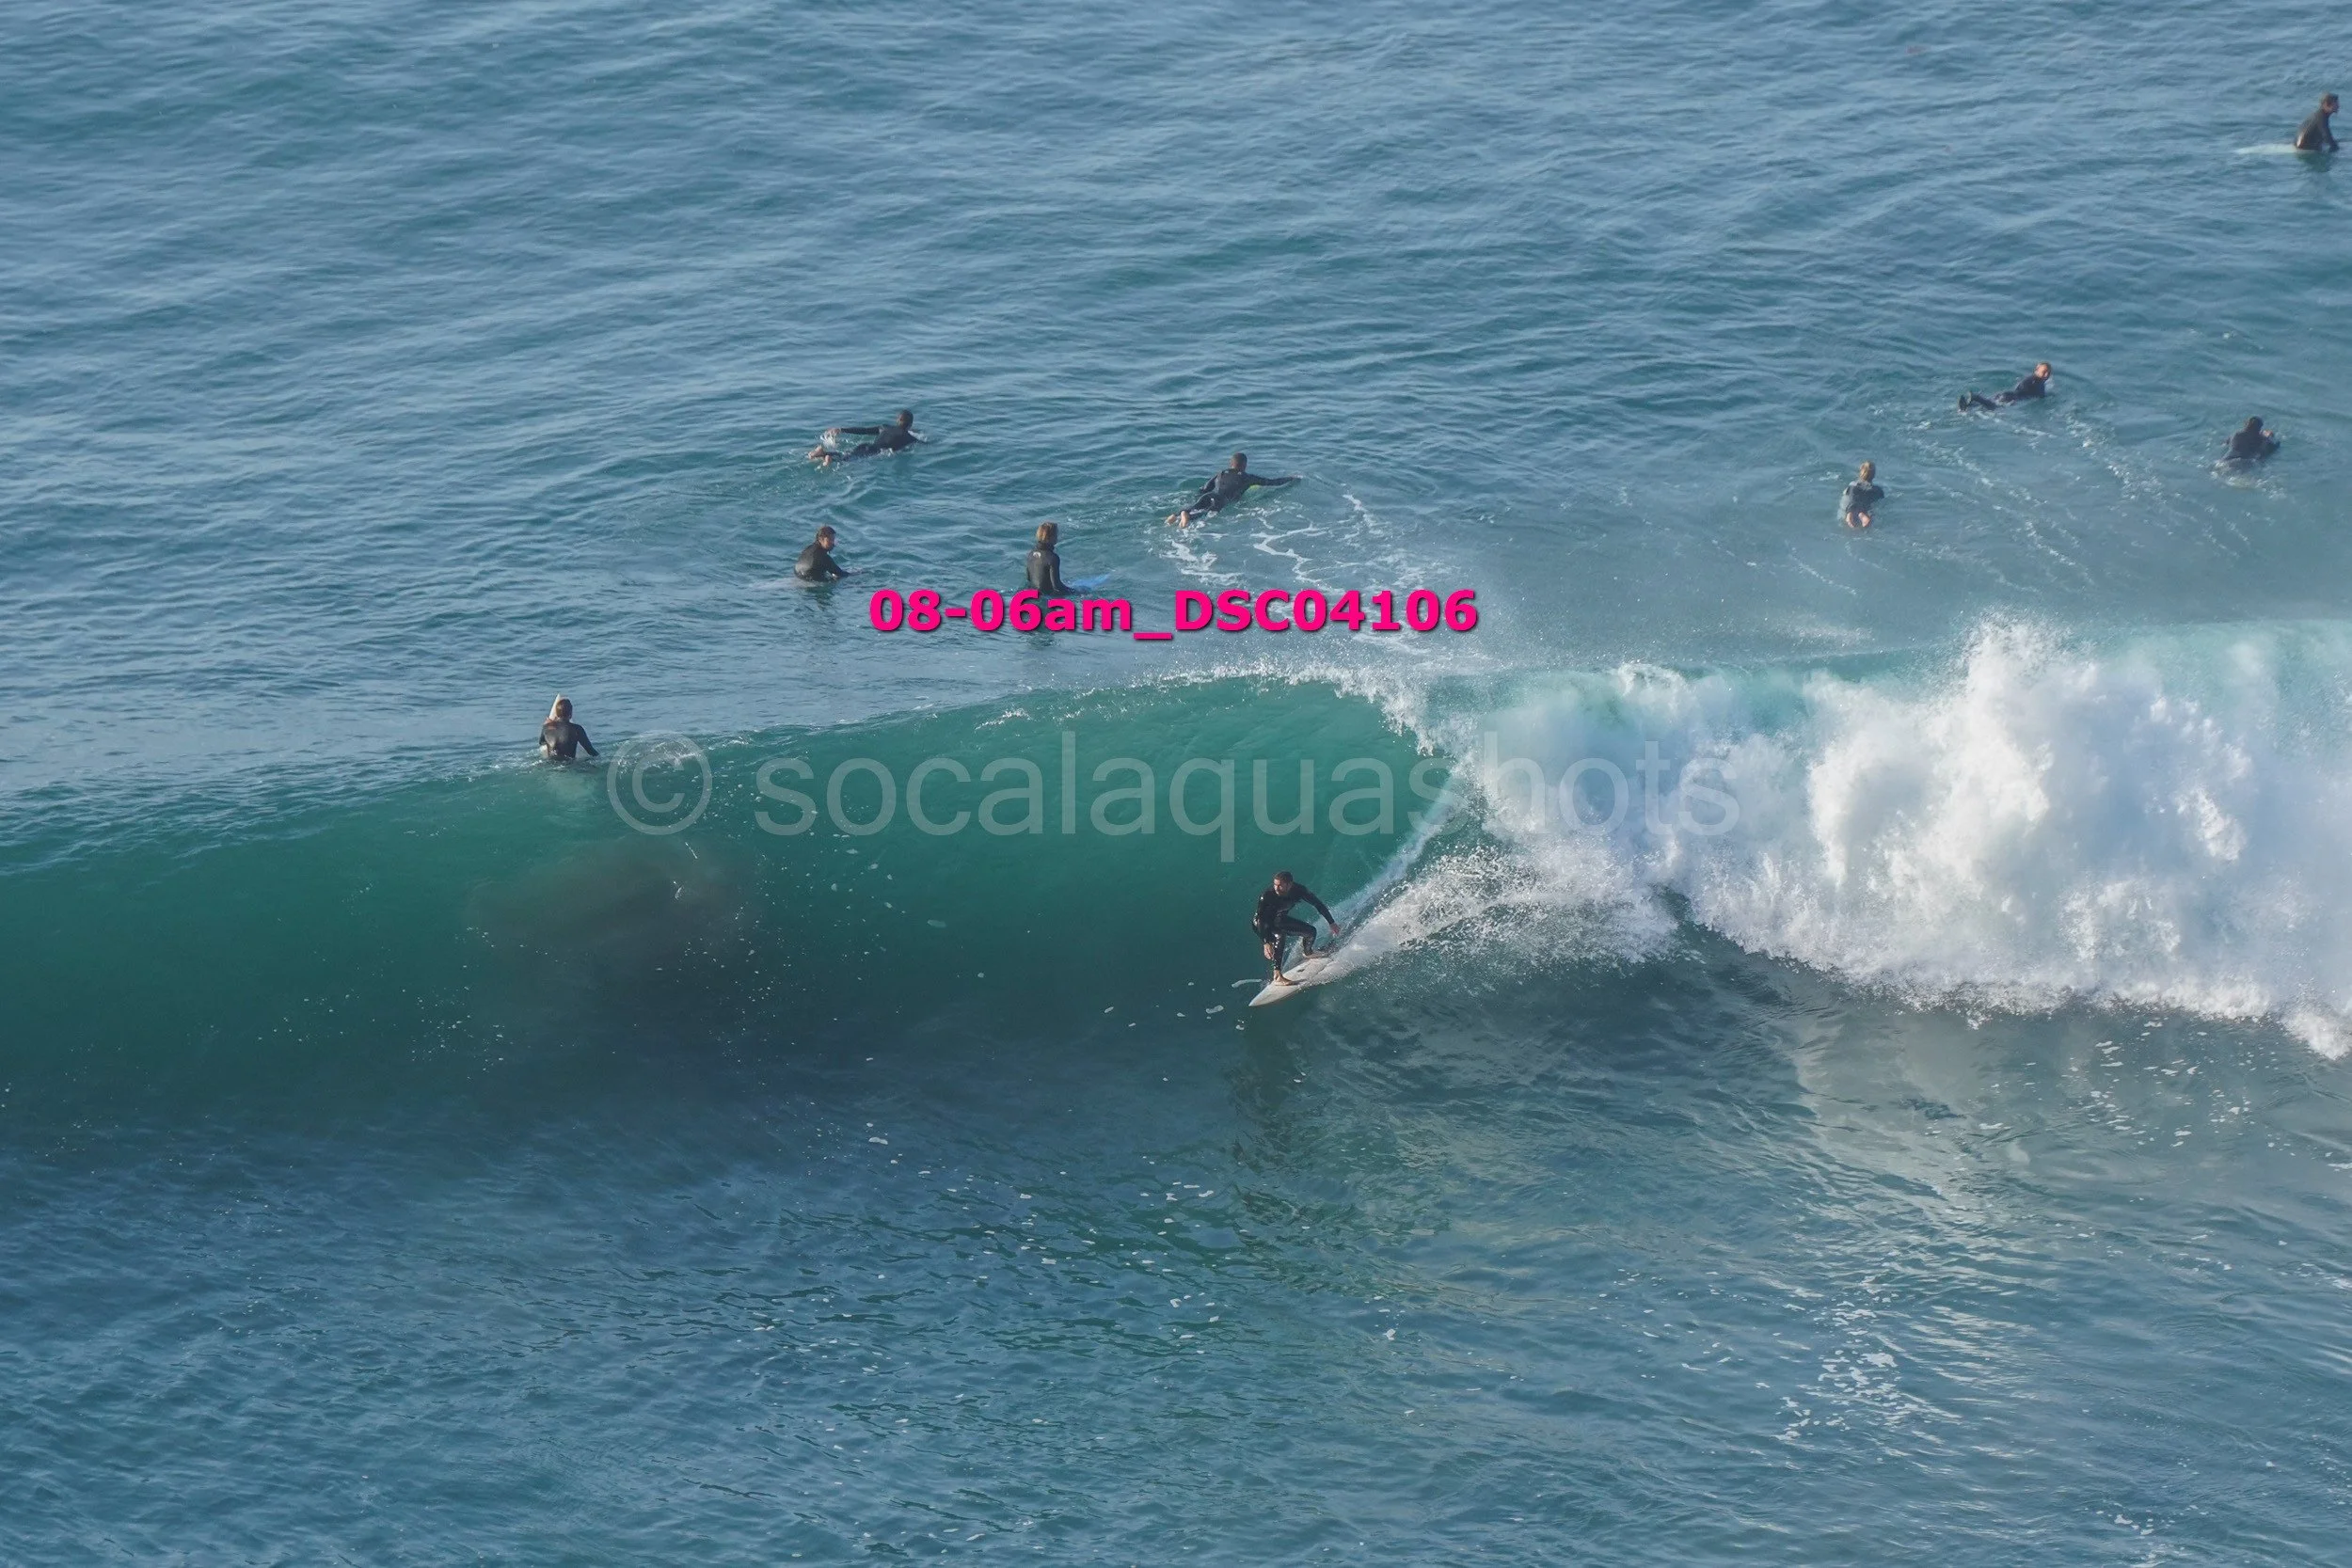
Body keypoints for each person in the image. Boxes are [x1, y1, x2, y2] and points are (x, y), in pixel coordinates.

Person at [1253, 870, 1342, 983]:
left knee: (1311, 932)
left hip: (1279, 919)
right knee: (1280, 936)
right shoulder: (1267, 895)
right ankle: (1277, 975)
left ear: (1289, 884)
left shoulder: (1299, 891)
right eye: (1275, 884)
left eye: (1280, 885)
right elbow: (1260, 918)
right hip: (1262, 924)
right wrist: (1266, 942)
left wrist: (1332, 922)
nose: (1276, 888)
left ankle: (1308, 953)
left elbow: (1318, 904)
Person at [1167, 451, 1299, 526]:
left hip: (1209, 495)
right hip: (1221, 500)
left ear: (1231, 464)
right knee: (1208, 512)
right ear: (1245, 465)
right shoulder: (1247, 478)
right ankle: (1188, 516)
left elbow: (1204, 489)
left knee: (1197, 504)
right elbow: (1272, 482)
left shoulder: (1221, 473)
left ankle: (1177, 514)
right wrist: (1290, 479)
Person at [807, 409, 917, 466]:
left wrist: (841, 429)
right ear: (910, 425)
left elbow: (863, 430)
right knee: (849, 461)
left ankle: (823, 453)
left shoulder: (884, 427)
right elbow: (922, 444)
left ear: (897, 420)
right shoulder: (909, 438)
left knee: (847, 455)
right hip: (875, 452)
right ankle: (827, 457)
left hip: (866, 446)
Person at [1960, 363, 2053, 411]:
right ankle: (1976, 397)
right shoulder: (2034, 380)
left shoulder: (2036, 380)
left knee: (1988, 406)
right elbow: (2024, 387)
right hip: (2011, 397)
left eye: (2048, 372)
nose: (2046, 374)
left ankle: (1969, 405)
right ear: (2036, 371)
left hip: (2008, 395)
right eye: (2044, 372)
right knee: (1994, 408)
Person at [539, 696, 597, 761]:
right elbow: (591, 751)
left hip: (551, 764)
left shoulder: (546, 727)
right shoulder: (577, 729)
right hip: (569, 765)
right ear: (571, 713)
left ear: (557, 714)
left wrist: (547, 724)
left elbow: (542, 743)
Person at [1025, 522, 1071, 595]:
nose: (1057, 537)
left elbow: (1028, 580)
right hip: (1046, 597)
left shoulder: (1030, 554)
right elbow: (1056, 586)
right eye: (1056, 534)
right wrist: (1073, 591)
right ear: (1051, 537)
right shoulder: (1052, 558)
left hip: (1033, 594)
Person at [1839, 461, 1884, 529]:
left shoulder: (1853, 485)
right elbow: (1881, 498)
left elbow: (1847, 494)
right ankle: (1865, 514)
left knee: (1853, 501)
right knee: (1869, 506)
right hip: (1872, 492)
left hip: (1855, 492)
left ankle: (1850, 513)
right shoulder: (1878, 490)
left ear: (1861, 472)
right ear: (1874, 475)